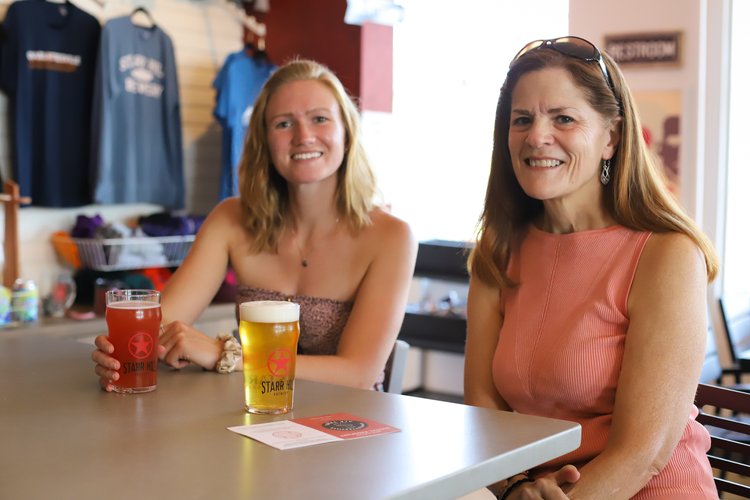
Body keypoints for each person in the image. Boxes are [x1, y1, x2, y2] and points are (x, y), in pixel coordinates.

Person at [464, 37, 719, 499]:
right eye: (522, 119)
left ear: (612, 138)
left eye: (563, 118)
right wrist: (513, 486)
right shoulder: (498, 251)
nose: (537, 135)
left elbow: (646, 451)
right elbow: (483, 408)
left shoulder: (667, 254)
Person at [93, 59, 417, 391]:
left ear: (347, 133)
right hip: (255, 417)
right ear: (264, 141)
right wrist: (127, 353)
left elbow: (357, 374)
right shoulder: (230, 220)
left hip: (350, 426)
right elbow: (157, 331)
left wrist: (226, 355)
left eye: (320, 119)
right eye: (283, 124)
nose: (303, 136)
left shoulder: (391, 237)